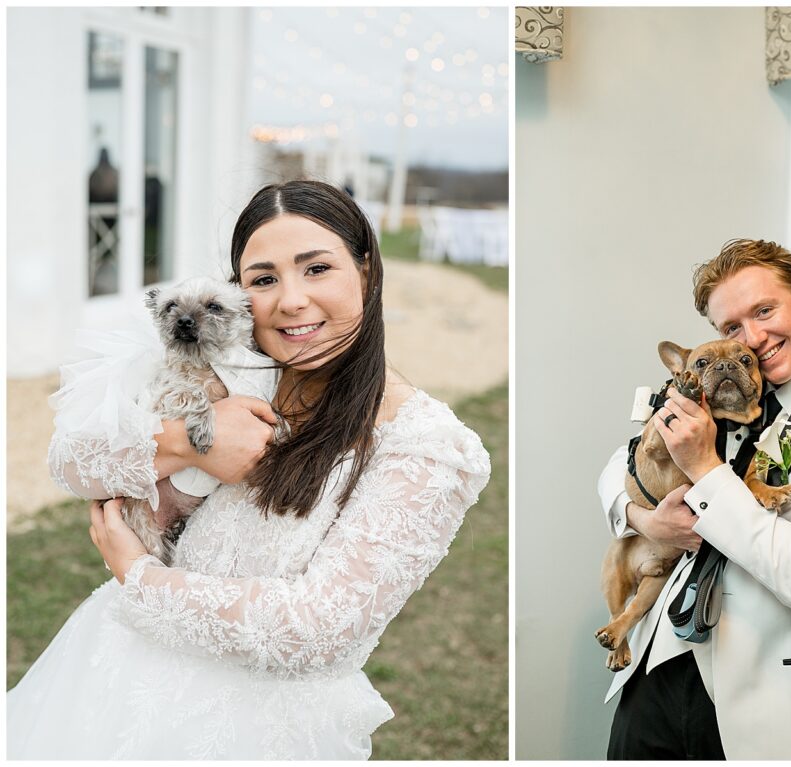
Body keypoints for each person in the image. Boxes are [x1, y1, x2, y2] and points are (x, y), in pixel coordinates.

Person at [8, 180, 491, 760]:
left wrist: (138, 576)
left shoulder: (427, 447)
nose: (290, 300)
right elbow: (71, 465)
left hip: (249, 729)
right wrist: (188, 442)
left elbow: (317, 628)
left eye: (317, 269)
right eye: (264, 279)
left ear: (366, 272)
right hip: (105, 678)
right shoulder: (221, 371)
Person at [598, 239, 791, 760]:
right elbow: (624, 460)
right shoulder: (726, 379)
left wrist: (705, 467)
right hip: (658, 667)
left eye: (764, 310)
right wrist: (643, 519)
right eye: (732, 327)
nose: (754, 338)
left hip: (773, 697)